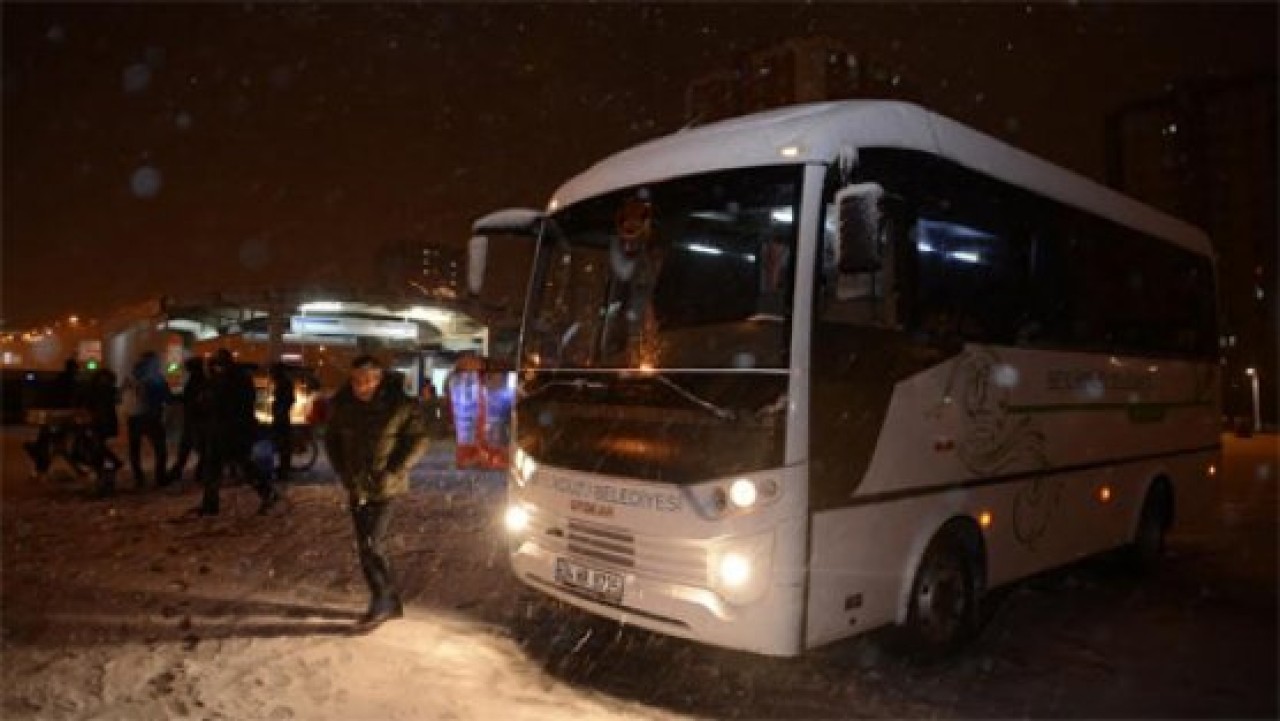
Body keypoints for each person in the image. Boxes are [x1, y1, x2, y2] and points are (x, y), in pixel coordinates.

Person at [323, 354, 429, 632]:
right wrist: (343, 470)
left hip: (385, 486)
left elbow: (419, 439)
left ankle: (381, 600)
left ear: (379, 379)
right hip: (356, 486)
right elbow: (331, 439)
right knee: (366, 546)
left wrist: (395, 469)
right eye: (357, 380)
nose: (362, 386)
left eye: (368, 380)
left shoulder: (399, 405)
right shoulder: (343, 405)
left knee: (372, 543)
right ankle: (390, 601)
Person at [194, 349, 281, 517]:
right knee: (216, 468)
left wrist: (208, 398)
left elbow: (221, 403)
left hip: (230, 431)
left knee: (241, 465)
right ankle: (210, 504)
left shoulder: (230, 380)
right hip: (225, 430)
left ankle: (267, 492)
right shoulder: (232, 378)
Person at [23, 358, 86, 478]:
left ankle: (41, 469)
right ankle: (43, 469)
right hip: (63, 418)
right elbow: (73, 400)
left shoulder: (59, 381)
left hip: (54, 417)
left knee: (50, 444)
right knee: (59, 446)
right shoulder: (72, 383)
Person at [165, 357, 209, 485]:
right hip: (195, 420)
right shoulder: (198, 379)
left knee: (194, 448)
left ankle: (184, 472)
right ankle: (188, 472)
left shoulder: (198, 380)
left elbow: (192, 399)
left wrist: (177, 398)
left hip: (196, 420)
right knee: (191, 448)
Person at [81, 367, 124, 497]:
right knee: (97, 447)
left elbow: (91, 405)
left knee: (97, 447)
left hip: (100, 423)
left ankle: (104, 474)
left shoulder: (100, 390)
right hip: (101, 422)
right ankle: (105, 473)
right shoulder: (105, 390)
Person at [268, 362, 297, 482]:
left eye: (273, 372)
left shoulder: (285, 383)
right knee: (282, 444)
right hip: (280, 416)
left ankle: (284, 471)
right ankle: (283, 468)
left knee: (283, 444)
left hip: (282, 418)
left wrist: (281, 410)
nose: (271, 374)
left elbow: (289, 399)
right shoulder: (282, 382)